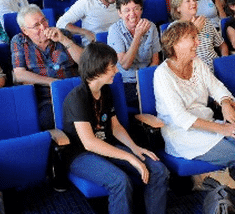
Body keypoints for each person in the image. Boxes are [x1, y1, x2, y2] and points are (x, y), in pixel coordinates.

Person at [154, 21, 235, 214]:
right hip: (183, 135)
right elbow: (181, 118)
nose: (198, 42)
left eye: (197, 37)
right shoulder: (162, 74)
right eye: (192, 38)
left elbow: (217, 88)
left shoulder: (198, 64)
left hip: (208, 126)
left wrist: (226, 103)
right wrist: (223, 129)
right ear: (175, 43)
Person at [63, 42, 168, 214]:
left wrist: (135, 149)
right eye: (112, 66)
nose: (117, 71)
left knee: (158, 169)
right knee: (119, 180)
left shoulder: (106, 91)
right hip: (81, 154)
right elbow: (90, 143)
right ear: (98, 69)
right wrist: (129, 157)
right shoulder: (76, 98)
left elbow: (115, 126)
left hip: (108, 145)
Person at [12, 4, 83, 130]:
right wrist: (53, 82)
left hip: (73, 90)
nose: (43, 27)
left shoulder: (63, 34)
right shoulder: (19, 41)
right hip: (46, 97)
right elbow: (19, 74)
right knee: (47, 121)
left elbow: (85, 62)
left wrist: (64, 40)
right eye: (36, 26)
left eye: (44, 20)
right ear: (25, 30)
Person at [107, 0, 161, 106]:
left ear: (141, 10)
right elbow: (125, 65)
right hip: (126, 81)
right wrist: (137, 36)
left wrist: (145, 80)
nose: (132, 14)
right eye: (127, 10)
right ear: (119, 13)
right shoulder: (115, 31)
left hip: (148, 76)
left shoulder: (151, 27)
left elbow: (155, 61)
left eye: (136, 9)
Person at [170, 0, 227, 70]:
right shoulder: (174, 28)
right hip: (193, 72)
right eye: (188, 1)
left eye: (194, 0)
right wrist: (194, 30)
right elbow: (177, 56)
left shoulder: (205, 21)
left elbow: (222, 45)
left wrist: (223, 61)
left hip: (216, 69)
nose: (193, 3)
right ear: (178, 8)